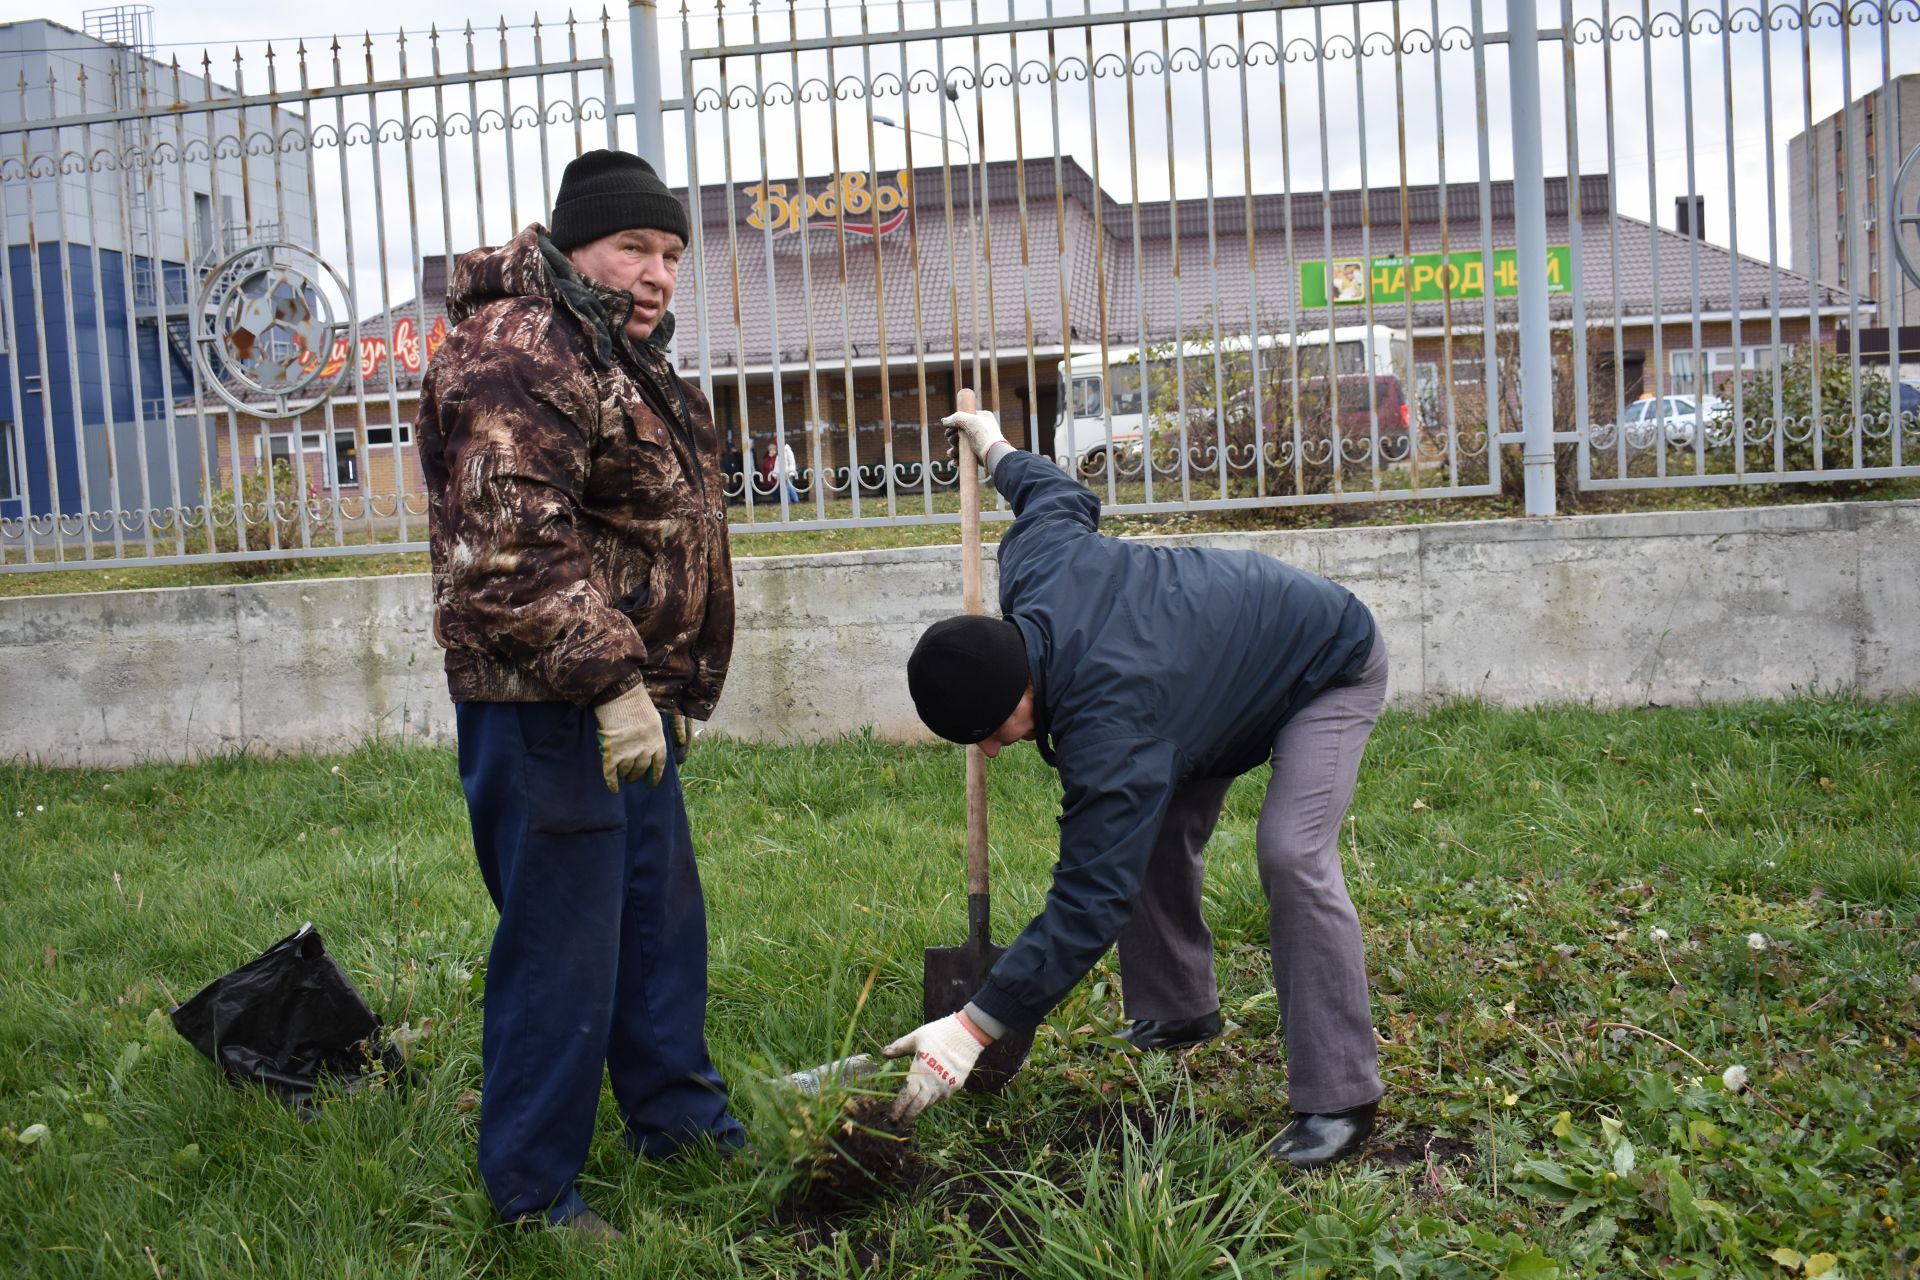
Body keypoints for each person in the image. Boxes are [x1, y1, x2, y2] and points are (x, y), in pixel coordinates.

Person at [883, 408, 1389, 1171]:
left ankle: (1340, 1097)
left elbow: (1090, 900)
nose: (990, 749)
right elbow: (1054, 494)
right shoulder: (1036, 567)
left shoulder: (1110, 728)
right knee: (1143, 826)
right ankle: (1178, 1009)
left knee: (1290, 853)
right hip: (1205, 685)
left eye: (991, 731)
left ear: (1020, 690)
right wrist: (993, 443)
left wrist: (974, 1026)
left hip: (1323, 661)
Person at [416, 148, 742, 1239]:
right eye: (634, 248)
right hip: (544, 703)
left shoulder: (615, 350)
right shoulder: (517, 349)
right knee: (564, 943)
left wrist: (660, 681)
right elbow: (508, 546)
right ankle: (532, 1189)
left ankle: (677, 1119)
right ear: (572, 244)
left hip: (620, 695)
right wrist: (611, 685)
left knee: (654, 920)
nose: (659, 274)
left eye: (671, 254)